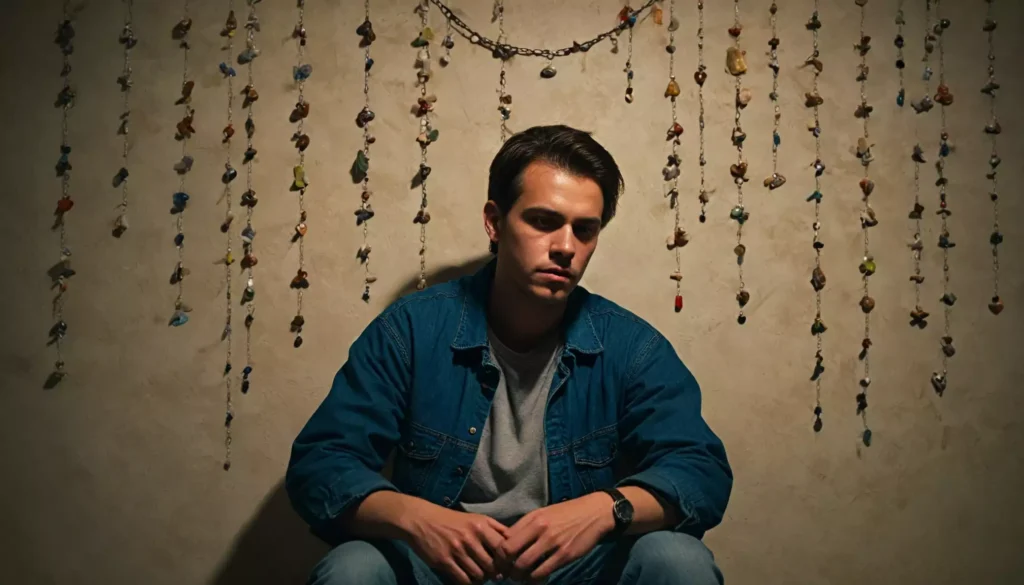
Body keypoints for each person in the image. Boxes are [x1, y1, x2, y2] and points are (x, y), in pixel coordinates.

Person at [286, 125, 732, 585]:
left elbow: (700, 471)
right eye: (543, 221)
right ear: (494, 222)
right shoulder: (412, 330)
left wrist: (605, 509)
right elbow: (321, 464)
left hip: (574, 571)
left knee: (678, 560)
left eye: (584, 230)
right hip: (441, 569)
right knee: (354, 568)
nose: (565, 247)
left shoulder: (630, 346)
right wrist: (416, 519)